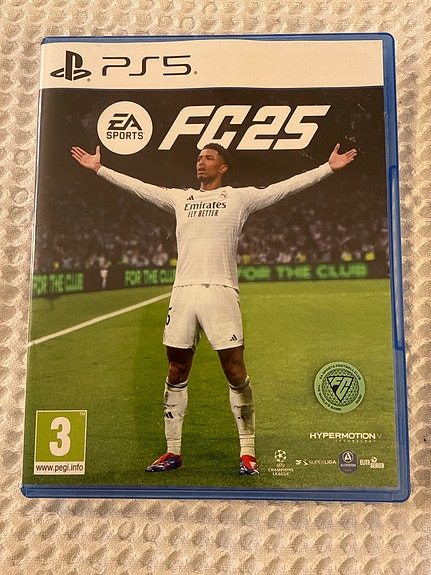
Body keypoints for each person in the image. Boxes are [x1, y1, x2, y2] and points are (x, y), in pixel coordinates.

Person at [71, 142, 357, 475]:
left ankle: (247, 452)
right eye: (198, 158)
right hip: (183, 293)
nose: (201, 162)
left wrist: (327, 168)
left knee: (234, 370)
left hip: (221, 291)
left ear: (223, 167)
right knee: (176, 369)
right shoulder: (181, 198)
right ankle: (173, 452)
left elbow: (282, 189)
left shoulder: (239, 198)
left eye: (209, 158)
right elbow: (141, 188)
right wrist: (100, 169)